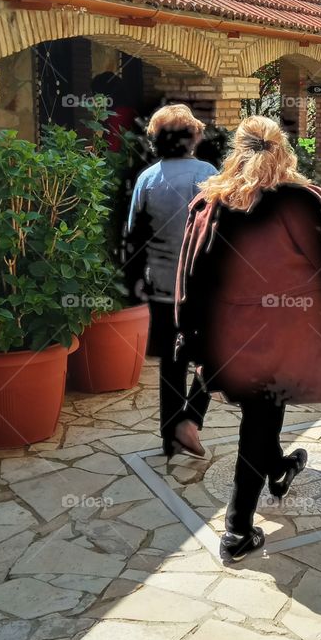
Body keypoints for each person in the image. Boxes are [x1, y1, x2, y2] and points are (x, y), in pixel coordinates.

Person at [174, 115, 321, 563]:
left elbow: (188, 274)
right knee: (260, 418)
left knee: (261, 413)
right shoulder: (301, 202)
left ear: (236, 150)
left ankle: (280, 468)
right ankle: (236, 530)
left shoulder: (211, 202)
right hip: (284, 336)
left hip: (228, 337)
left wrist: (187, 333)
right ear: (284, 149)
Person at [126, 104, 217, 456]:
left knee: (171, 360)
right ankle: (191, 418)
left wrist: (134, 282)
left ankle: (170, 435)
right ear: (192, 137)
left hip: (162, 286)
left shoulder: (148, 180)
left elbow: (134, 235)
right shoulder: (208, 174)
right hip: (201, 285)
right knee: (215, 354)